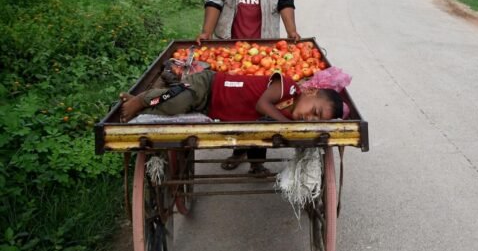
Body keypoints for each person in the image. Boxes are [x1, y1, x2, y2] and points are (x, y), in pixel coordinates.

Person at [195, 0, 300, 171]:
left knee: (258, 95)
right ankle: (237, 148)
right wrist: (207, 32)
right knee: (234, 93)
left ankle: (257, 160)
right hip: (230, 39)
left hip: (265, 39)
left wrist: (291, 31)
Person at [118, 70, 344, 175]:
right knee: (176, 103)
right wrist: (290, 127)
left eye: (316, 120)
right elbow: (261, 106)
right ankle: (143, 99)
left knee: (259, 130)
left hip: (212, 109)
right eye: (314, 110)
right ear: (311, 91)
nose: (310, 118)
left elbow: (262, 126)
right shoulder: (288, 86)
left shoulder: (287, 117)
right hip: (210, 85)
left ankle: (256, 166)